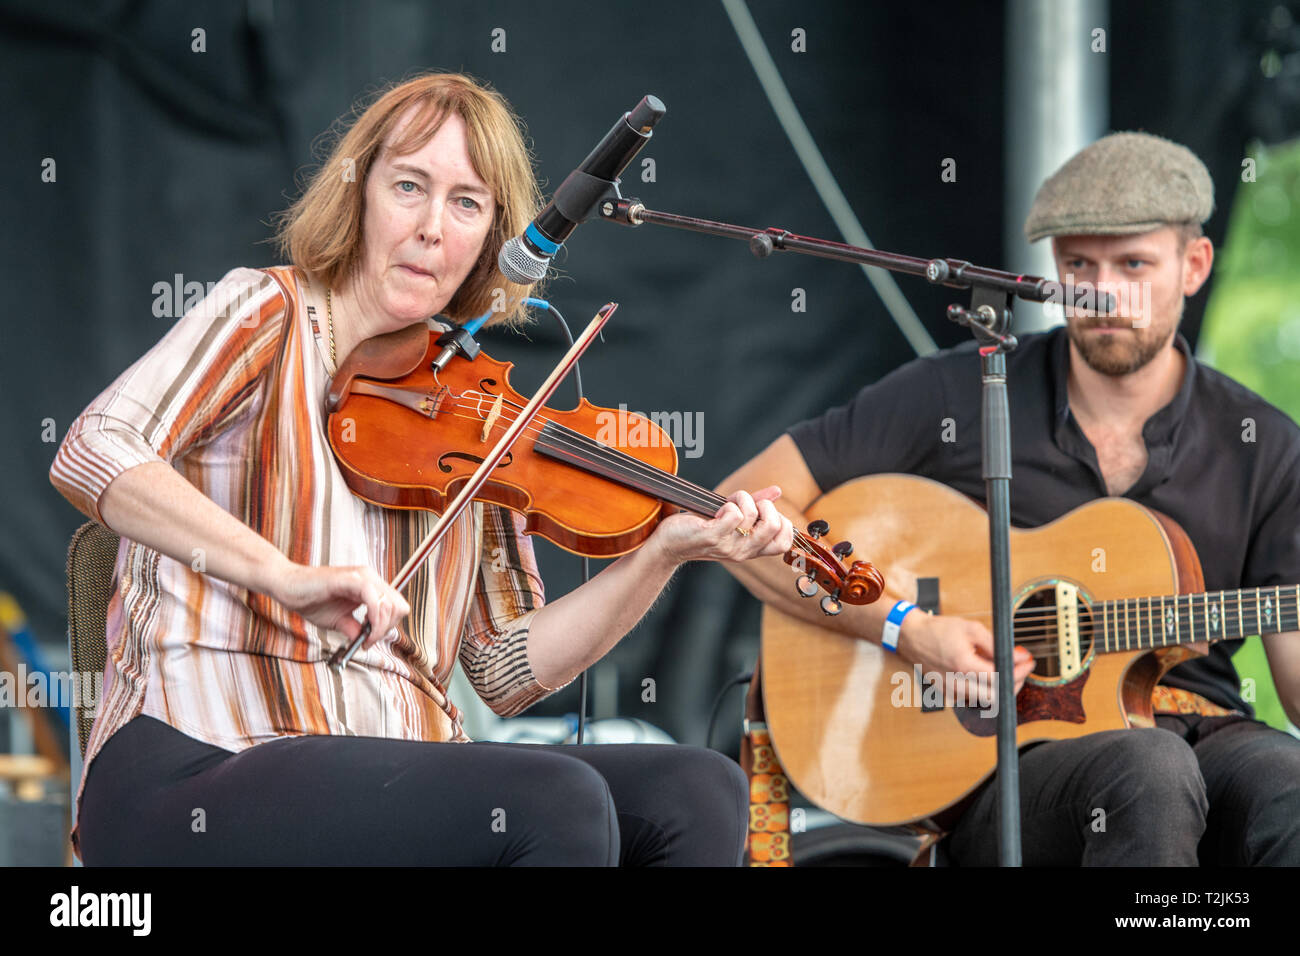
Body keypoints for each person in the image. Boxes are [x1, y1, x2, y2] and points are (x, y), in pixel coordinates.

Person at [51, 72, 794, 866]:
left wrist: (661, 554)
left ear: (493, 237)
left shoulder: (471, 404)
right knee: (555, 803)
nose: (432, 228)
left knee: (697, 791)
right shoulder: (265, 314)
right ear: (359, 193)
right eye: (410, 186)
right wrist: (285, 577)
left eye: (467, 204)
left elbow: (505, 667)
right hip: (205, 758)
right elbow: (95, 447)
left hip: (394, 766)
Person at [717, 131, 1300, 865]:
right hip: (1010, 764)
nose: (1102, 293)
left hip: (1205, 730)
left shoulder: (1266, 444)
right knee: (1148, 769)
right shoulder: (961, 389)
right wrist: (904, 627)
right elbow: (737, 504)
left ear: (1195, 265)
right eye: (1078, 265)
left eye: (1133, 265)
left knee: (1289, 782)